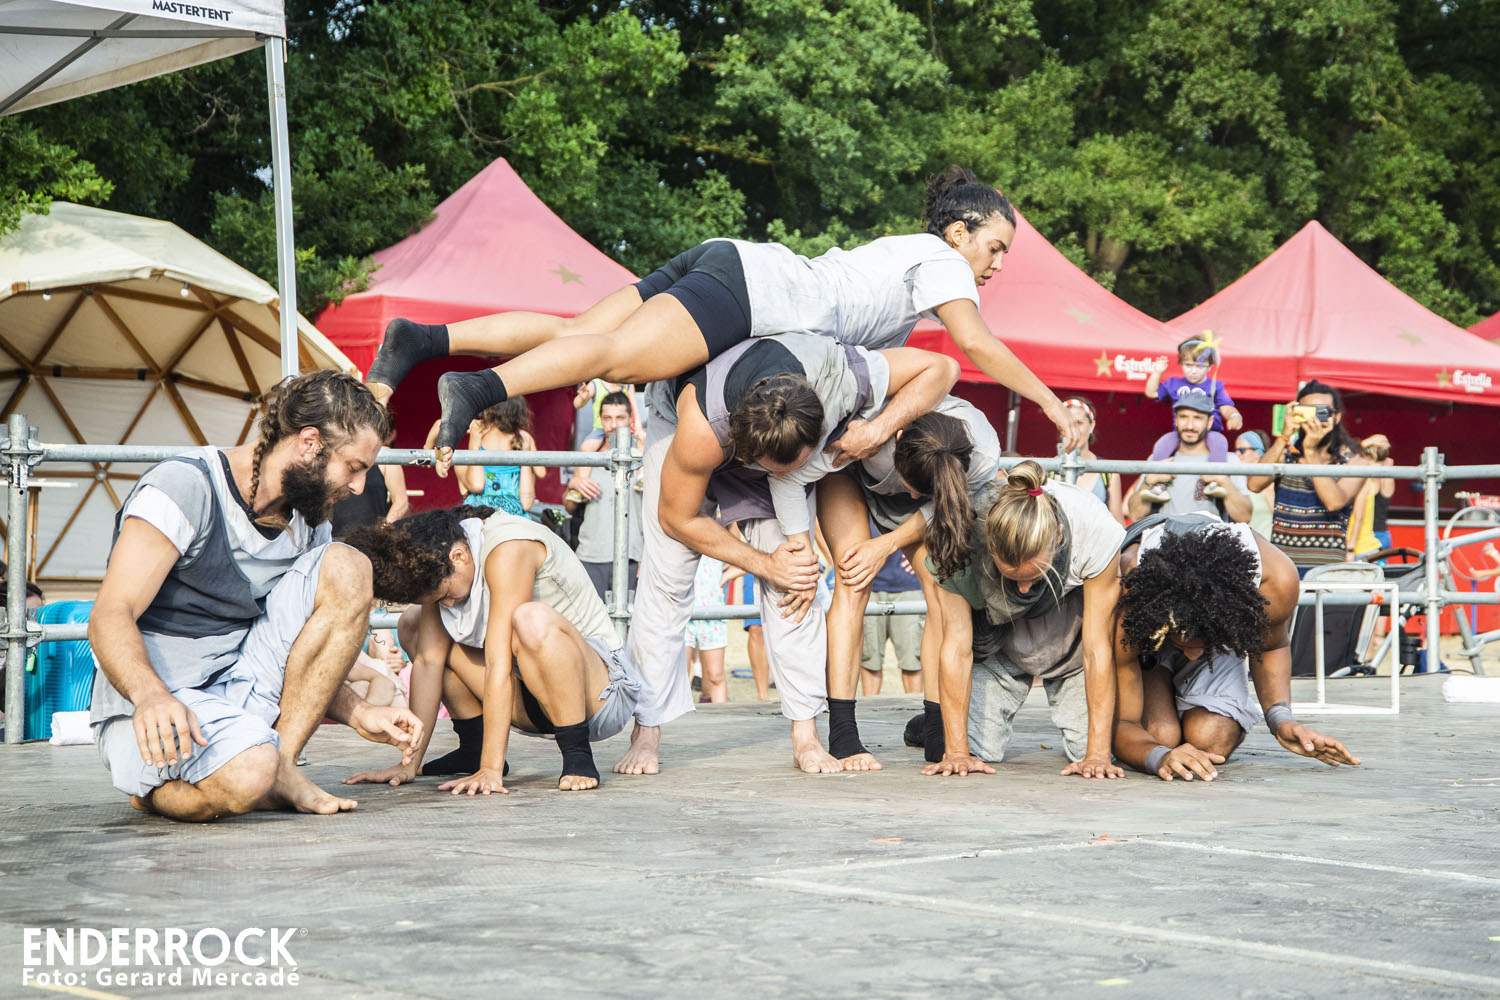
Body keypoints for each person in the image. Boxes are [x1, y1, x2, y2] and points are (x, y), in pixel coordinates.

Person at [362, 165, 1087, 468]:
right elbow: (974, 345)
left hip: (731, 261)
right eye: (995, 247)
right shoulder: (944, 261)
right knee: (614, 358)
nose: (996, 264)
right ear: (959, 232)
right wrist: (1053, 406)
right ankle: (478, 388)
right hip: (754, 291)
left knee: (579, 333)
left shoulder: (904, 264)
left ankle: (422, 340)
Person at [87, 372, 423, 821]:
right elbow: (111, 613)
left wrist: (359, 710)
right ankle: (167, 788)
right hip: (155, 698)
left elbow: (304, 651)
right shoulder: (185, 487)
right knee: (248, 774)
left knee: (349, 565)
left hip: (243, 682)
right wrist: (150, 696)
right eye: (354, 467)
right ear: (309, 443)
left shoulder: (310, 524)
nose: (359, 487)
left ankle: (281, 767)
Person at [622, 331, 957, 776]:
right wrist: (763, 563)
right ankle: (646, 730)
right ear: (751, 457)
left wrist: (874, 432)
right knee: (666, 577)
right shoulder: (704, 432)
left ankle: (806, 733)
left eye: (800, 466)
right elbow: (677, 519)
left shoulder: (842, 380)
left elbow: (942, 366)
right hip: (689, 417)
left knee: (797, 579)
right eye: (782, 471)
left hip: (780, 420)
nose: (792, 476)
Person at [344, 505, 641, 794]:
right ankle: (472, 748)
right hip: (531, 699)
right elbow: (427, 662)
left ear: (458, 556)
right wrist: (408, 764)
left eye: (446, 594)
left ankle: (577, 755)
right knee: (413, 623)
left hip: (598, 699)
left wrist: (491, 769)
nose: (447, 604)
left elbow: (499, 664)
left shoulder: (508, 547)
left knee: (531, 619)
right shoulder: (437, 562)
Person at [1111, 511, 1361, 780]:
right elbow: (1123, 722)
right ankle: (1164, 680)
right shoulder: (1130, 584)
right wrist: (1157, 757)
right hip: (1149, 633)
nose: (1193, 655)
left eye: (1200, 644)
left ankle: (1193, 692)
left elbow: (1271, 646)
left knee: (1210, 740)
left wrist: (1281, 720)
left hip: (1218, 618)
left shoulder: (1275, 579)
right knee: (1160, 736)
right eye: (1182, 642)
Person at [822, 398, 1000, 769]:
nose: (915, 494)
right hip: (848, 468)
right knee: (853, 578)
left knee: (942, 587)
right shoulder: (870, 427)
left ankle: (936, 728)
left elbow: (936, 505)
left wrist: (887, 543)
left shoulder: (981, 455)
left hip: (930, 485)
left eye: (920, 490)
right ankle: (843, 733)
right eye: (914, 487)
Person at [920, 461, 1125, 780]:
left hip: (1070, 646)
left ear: (1058, 536)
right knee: (970, 750)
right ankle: (927, 725)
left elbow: (1097, 649)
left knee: (1095, 752)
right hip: (999, 645)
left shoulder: (1095, 529)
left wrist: (1096, 755)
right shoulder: (962, 537)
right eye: (1013, 577)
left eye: (1034, 575)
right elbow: (957, 647)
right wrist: (957, 752)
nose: (1025, 589)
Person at [1246, 381, 1370, 575]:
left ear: (1336, 417)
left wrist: (1311, 451)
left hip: (1327, 573)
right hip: (1284, 571)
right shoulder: (1287, 457)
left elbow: (1334, 502)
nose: (1314, 420)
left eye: (1322, 412)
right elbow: (1254, 484)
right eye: (1308, 412)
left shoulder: (1354, 463)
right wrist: (1284, 436)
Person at [1127, 391, 1252, 523]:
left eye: (1197, 418)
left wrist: (1224, 481)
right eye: (1183, 417)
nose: (1190, 425)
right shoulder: (1158, 459)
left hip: (1210, 535)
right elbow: (1135, 516)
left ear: (1209, 422)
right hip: (1166, 534)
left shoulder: (1228, 460)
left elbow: (1244, 517)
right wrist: (1148, 482)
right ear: (1176, 420)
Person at [565, 392, 644, 600]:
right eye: (607, 418)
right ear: (600, 420)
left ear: (630, 419)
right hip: (590, 555)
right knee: (591, 620)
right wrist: (574, 484)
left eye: (620, 418)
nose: (613, 425)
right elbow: (569, 507)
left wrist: (646, 558)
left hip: (632, 557)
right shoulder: (590, 455)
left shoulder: (642, 455)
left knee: (629, 619)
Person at [1143, 336, 1242, 463]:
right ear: (1181, 364)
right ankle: (1158, 474)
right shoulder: (1173, 383)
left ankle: (1213, 475)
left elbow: (1226, 407)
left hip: (1210, 432)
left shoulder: (1215, 386)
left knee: (1220, 442)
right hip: (1181, 432)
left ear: (1209, 367)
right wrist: (1157, 372)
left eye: (1200, 366)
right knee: (1162, 445)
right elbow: (1151, 393)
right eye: (1188, 365)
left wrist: (1234, 416)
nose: (1193, 371)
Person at [457, 397, 546, 515]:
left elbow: (477, 485)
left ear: (488, 411)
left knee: (459, 461)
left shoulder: (480, 431)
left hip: (482, 512)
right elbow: (541, 472)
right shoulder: (523, 437)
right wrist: (526, 457)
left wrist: (473, 446)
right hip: (514, 512)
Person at [859, 543, 924, 696]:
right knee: (870, 661)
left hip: (909, 585)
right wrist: (833, 558)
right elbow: (819, 530)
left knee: (912, 662)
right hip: (868, 584)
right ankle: (871, 709)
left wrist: (924, 554)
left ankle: (914, 708)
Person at [1053, 396, 1123, 524]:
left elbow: (1118, 524)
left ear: (1091, 426)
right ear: (1060, 427)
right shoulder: (1047, 471)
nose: (1073, 430)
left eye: (1079, 423)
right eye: (1067, 423)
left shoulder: (1108, 472)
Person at [684, 555, 730, 703]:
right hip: (681, 611)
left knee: (716, 675)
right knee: (680, 676)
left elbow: (749, 551)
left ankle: (721, 716)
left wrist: (732, 572)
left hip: (713, 610)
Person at [1347, 434, 1394, 558]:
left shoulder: (1365, 479)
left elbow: (1348, 456)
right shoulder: (1387, 474)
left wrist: (1366, 443)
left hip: (1362, 539)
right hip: (1382, 535)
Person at [1235, 430, 1275, 537]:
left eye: (1242, 450)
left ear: (1257, 453)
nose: (1237, 455)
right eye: (1235, 450)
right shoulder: (1235, 482)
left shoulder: (1268, 484)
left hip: (1265, 543)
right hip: (1242, 543)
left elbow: (1278, 518)